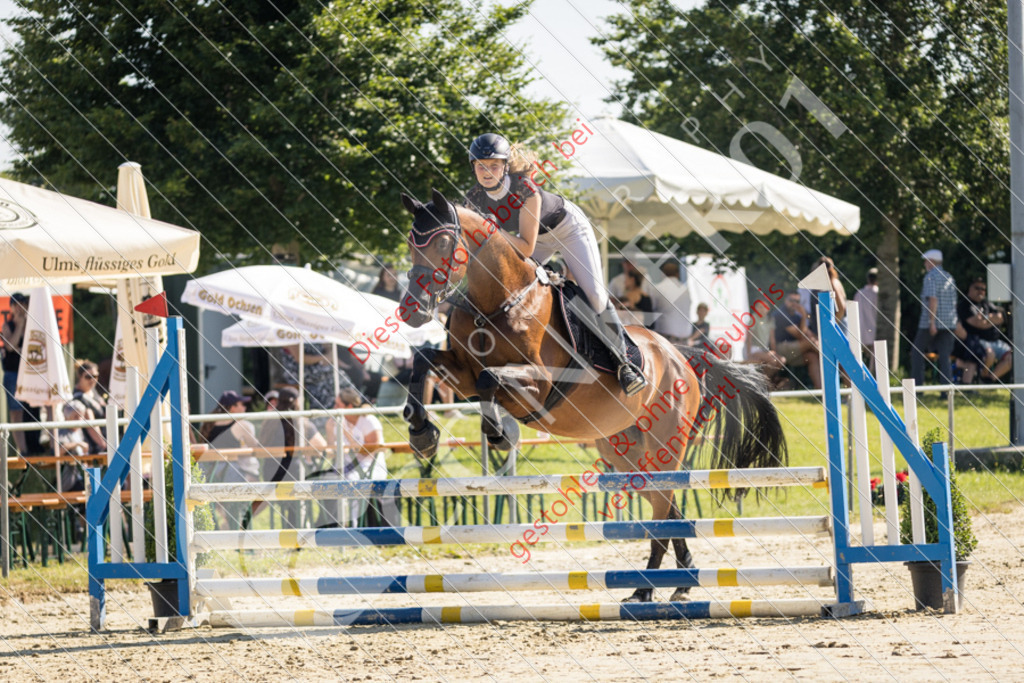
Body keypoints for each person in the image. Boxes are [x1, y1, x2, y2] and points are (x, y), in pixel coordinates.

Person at [463, 132, 646, 395]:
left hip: (567, 230)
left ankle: (624, 362)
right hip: (534, 239)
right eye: (481, 166)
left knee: (594, 294)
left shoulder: (525, 189)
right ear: (474, 168)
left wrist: (492, 230)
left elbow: (525, 246)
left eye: (494, 165)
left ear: (505, 166)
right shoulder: (475, 198)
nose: (487, 172)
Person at [256, 387, 327, 527]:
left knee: (292, 491)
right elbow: (321, 447)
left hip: (271, 475)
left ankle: (291, 530)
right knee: (307, 481)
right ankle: (298, 530)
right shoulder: (303, 424)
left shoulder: (269, 422)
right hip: (294, 474)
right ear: (297, 402)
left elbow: (260, 447)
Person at [327, 387, 393, 526]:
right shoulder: (337, 422)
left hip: (369, 468)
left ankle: (355, 528)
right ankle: (332, 527)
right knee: (325, 480)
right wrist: (329, 430)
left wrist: (346, 433)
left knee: (349, 482)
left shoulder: (368, 420)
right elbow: (331, 452)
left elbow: (371, 449)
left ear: (349, 406)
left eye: (338, 404)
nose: (334, 408)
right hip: (346, 467)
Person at [199, 390, 261, 528]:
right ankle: (237, 527)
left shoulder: (209, 422)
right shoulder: (240, 424)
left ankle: (224, 525)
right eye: (242, 404)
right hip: (230, 472)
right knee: (261, 488)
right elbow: (256, 447)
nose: (245, 408)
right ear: (232, 407)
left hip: (210, 473)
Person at [910, 250, 958, 387]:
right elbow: (953, 303)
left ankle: (918, 387)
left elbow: (933, 300)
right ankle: (946, 391)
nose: (925, 264)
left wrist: (932, 322)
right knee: (944, 357)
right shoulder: (949, 277)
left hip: (930, 323)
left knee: (917, 352)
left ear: (932, 261)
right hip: (949, 323)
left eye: (926, 261)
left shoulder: (930, 277)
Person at [955, 277, 1011, 383]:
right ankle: (982, 376)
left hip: (994, 341)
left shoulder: (987, 303)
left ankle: (989, 379)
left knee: (1012, 356)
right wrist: (991, 319)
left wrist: (985, 319)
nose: (981, 291)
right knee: (990, 354)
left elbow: (1001, 317)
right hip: (976, 341)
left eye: (983, 289)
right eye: (977, 288)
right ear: (970, 288)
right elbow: (978, 323)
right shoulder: (965, 304)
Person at [773, 291, 821, 389]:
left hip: (794, 349)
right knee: (811, 343)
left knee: (812, 357)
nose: (794, 303)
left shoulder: (796, 315)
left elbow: (806, 332)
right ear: (785, 300)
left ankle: (821, 391)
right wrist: (804, 316)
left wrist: (816, 340)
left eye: (797, 301)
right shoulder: (781, 314)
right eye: (791, 300)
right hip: (781, 348)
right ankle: (833, 359)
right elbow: (800, 335)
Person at [2, 292, 29, 454]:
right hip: (13, 373)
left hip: (29, 374)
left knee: (31, 411)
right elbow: (10, 347)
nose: (20, 308)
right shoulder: (8, 326)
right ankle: (23, 450)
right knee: (16, 411)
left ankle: (34, 445)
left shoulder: (32, 325)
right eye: (17, 304)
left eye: (23, 304)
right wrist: (19, 325)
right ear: (11, 307)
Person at [650, 261, 692, 344]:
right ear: (678, 274)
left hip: (666, 339)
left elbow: (651, 308)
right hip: (684, 339)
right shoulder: (685, 290)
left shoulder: (658, 288)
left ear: (663, 274)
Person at [73, 359, 107, 453]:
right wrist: (105, 445)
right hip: (93, 448)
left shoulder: (92, 391)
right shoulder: (78, 398)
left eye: (95, 376)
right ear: (80, 377)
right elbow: (90, 426)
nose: (92, 380)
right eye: (88, 377)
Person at [853, 268, 880, 365]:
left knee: (859, 358)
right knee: (874, 359)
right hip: (874, 329)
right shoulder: (878, 294)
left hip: (860, 329)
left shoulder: (859, 293)